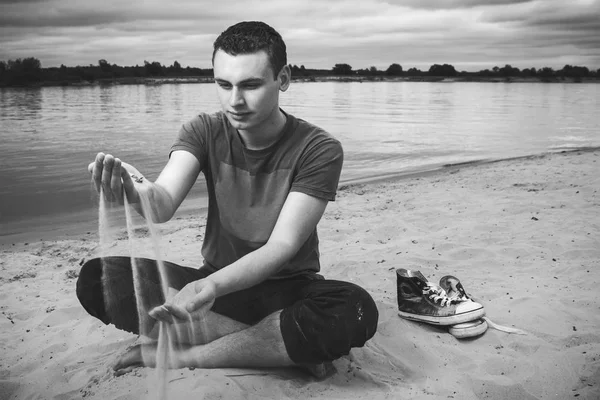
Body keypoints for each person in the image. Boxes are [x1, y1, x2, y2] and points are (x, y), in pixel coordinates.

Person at [76, 21, 378, 377]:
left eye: (250, 85)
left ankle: (185, 354)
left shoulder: (318, 148)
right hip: (216, 292)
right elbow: (161, 203)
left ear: (283, 78)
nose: (235, 101)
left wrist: (210, 287)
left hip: (283, 290)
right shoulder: (203, 130)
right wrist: (133, 189)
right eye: (223, 84)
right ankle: (276, 347)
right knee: (98, 278)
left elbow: (281, 246)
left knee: (354, 308)